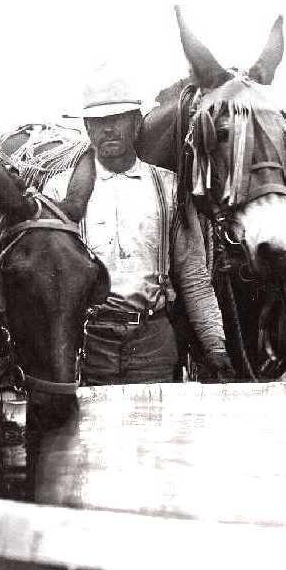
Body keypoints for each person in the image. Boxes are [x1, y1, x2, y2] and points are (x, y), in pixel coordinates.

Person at [44, 71, 233, 384]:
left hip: (153, 342)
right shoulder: (59, 192)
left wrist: (215, 344)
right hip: (89, 344)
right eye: (98, 122)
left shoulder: (169, 187)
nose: (108, 128)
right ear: (87, 128)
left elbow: (194, 275)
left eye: (118, 118)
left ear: (136, 123)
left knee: (154, 427)